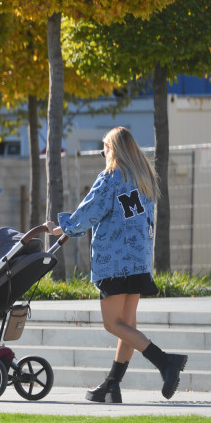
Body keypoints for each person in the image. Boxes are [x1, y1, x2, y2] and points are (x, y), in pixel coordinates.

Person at [45, 126, 188, 403]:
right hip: (138, 259)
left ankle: (164, 362)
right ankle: (112, 384)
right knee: (127, 323)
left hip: (114, 261)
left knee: (113, 324)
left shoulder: (110, 177)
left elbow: (90, 212)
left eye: (104, 148)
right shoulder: (143, 177)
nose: (103, 154)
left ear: (114, 150)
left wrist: (59, 228)